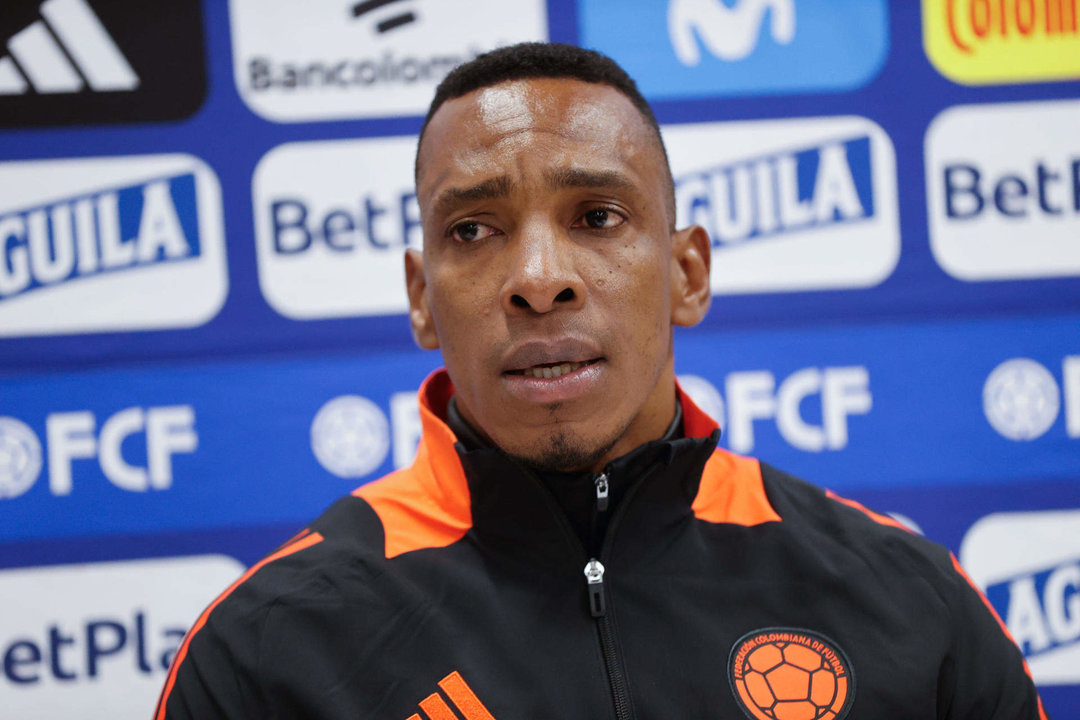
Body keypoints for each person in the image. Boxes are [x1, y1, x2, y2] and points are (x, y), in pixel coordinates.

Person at [155, 43, 1047, 720]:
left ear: (687, 272)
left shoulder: (910, 604)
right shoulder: (268, 647)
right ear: (421, 301)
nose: (539, 277)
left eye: (598, 215)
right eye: (473, 230)